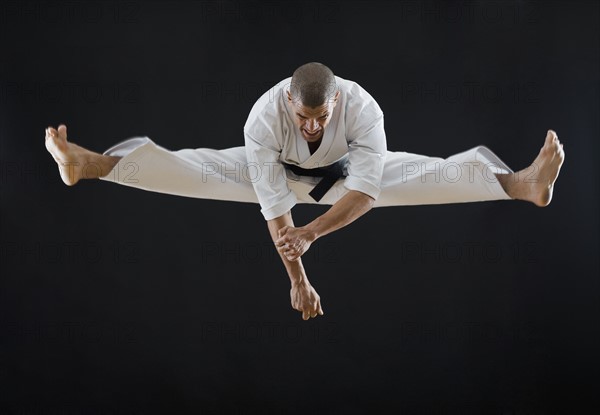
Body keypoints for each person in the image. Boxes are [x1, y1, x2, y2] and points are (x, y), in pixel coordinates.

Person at [44, 62, 565, 321]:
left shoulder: (364, 109)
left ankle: (522, 184)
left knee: (424, 174)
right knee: (197, 171)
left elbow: (364, 191)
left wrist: (314, 231)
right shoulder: (263, 120)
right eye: (303, 117)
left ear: (335, 102)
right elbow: (277, 212)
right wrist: (299, 280)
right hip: (276, 171)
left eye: (319, 118)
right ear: (288, 102)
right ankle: (89, 165)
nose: (311, 126)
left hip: (348, 175)